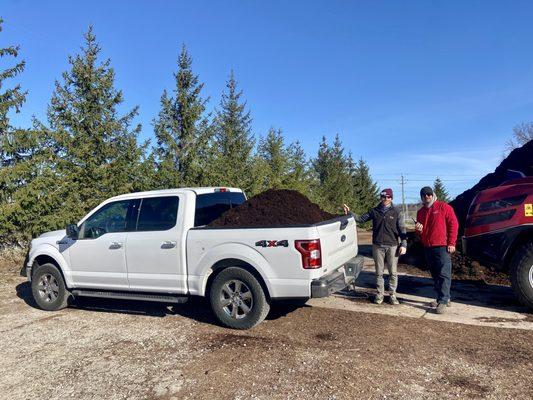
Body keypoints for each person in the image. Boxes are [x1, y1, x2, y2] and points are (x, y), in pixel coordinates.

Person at [343, 188, 407, 305]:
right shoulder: (374, 211)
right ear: (380, 197)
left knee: (393, 273)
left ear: (391, 198)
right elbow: (361, 219)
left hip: (393, 246)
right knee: (379, 272)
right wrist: (350, 212)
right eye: (383, 197)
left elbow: (402, 229)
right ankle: (379, 295)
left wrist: (403, 244)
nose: (385, 199)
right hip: (378, 246)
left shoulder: (397, 212)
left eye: (388, 197)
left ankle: (392, 295)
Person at [415, 186, 459, 314]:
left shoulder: (443, 207)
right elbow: (421, 232)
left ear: (432, 194)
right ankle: (443, 297)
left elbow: (453, 224)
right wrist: (418, 230)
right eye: (424, 195)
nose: (426, 196)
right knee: (435, 274)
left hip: (442, 246)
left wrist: (451, 242)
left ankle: (443, 301)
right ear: (422, 197)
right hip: (428, 246)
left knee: (444, 273)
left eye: (429, 194)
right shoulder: (421, 212)